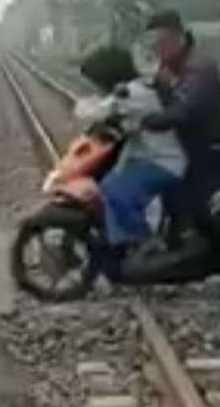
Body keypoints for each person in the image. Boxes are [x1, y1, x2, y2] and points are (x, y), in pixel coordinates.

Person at [76, 46, 189, 255]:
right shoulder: (133, 90)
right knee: (111, 183)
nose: (97, 88)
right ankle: (121, 246)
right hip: (147, 157)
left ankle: (146, 240)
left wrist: (83, 104)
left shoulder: (132, 93)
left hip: (163, 162)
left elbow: (94, 112)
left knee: (113, 188)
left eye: (96, 83)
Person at [140, 11, 220, 229]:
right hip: (186, 149)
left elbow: (186, 110)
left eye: (160, 42)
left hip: (211, 152)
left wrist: (147, 122)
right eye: (152, 44)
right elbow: (152, 96)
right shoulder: (168, 67)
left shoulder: (200, 65)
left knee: (201, 214)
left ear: (178, 38)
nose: (156, 49)